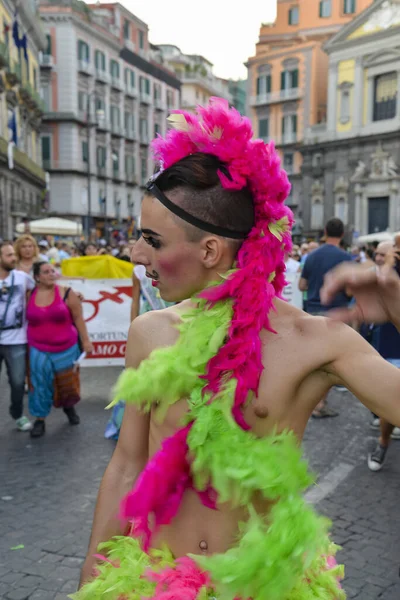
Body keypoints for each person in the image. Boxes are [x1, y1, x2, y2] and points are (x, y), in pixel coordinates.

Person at [75, 100, 400, 600]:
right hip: (157, 581)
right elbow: (127, 465)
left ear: (208, 251)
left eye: (151, 240)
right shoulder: (149, 333)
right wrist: (92, 578)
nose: (136, 255)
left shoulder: (320, 342)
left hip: (267, 587)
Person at [26, 261, 93, 438]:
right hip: (38, 347)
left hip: (66, 347)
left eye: (52, 271)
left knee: (67, 384)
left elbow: (78, 318)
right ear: (37, 277)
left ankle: (68, 407)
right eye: (46, 272)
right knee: (39, 384)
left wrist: (86, 341)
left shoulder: (67, 293)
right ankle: (40, 419)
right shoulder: (29, 294)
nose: (51, 274)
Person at [299, 218, 352, 417]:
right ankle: (319, 404)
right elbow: (348, 290)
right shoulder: (346, 257)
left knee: (312, 362)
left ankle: (310, 403)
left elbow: (302, 286)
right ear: (342, 234)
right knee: (330, 364)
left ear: (324, 231)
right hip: (335, 314)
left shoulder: (311, 256)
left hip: (312, 312)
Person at [0, 242, 34, 431]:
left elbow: (46, 287)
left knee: (17, 382)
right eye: (9, 255)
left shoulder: (22, 278)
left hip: (16, 340)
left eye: (13, 254)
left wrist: (73, 292)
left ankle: (17, 413)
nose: (14, 258)